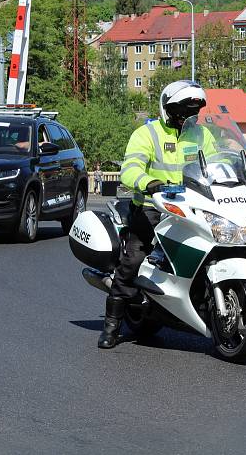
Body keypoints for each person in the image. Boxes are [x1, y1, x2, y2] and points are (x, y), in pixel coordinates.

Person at [98, 80, 208, 349]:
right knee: (133, 261)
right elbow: (130, 169)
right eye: (184, 111)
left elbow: (220, 163)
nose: (189, 117)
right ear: (168, 109)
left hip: (193, 208)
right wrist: (150, 183)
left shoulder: (203, 135)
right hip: (152, 209)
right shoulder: (147, 134)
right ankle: (112, 327)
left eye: (194, 111)